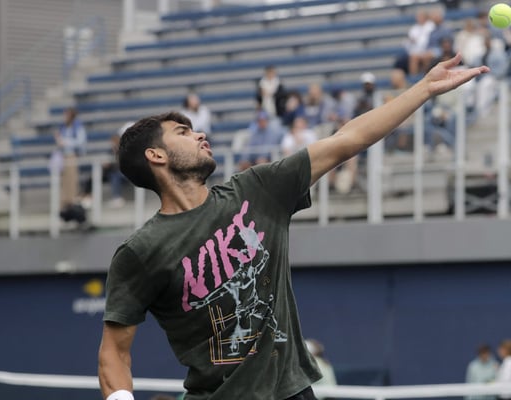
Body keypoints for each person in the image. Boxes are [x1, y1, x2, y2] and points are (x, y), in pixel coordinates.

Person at [97, 55, 488, 400]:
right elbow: (114, 350)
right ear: (156, 155)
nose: (199, 133)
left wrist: (423, 89)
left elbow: (347, 139)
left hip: (293, 392)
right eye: (182, 133)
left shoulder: (257, 189)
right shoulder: (140, 251)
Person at [53, 107, 87, 224]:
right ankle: (65, 205)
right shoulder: (63, 127)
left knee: (72, 181)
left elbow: (80, 141)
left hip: (72, 155)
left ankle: (72, 204)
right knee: (64, 182)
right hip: (63, 156)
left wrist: (66, 142)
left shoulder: (78, 126)